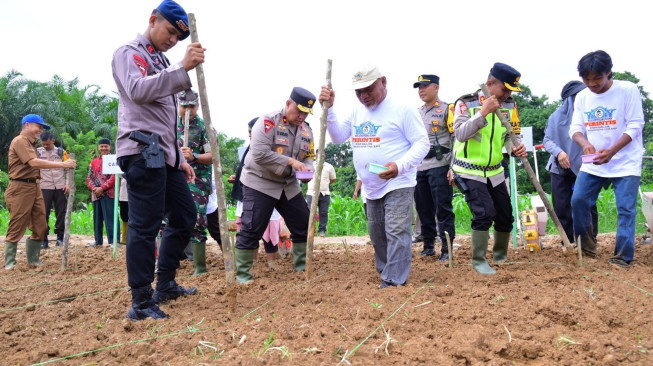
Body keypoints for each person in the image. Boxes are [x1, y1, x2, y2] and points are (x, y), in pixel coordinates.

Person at [112, 0, 204, 320]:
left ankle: (165, 282)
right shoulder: (130, 53)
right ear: (153, 20)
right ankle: (140, 299)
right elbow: (137, 91)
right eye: (169, 32)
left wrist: (179, 157)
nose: (173, 40)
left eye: (179, 38)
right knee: (145, 224)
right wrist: (181, 68)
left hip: (163, 153)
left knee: (184, 214)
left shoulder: (161, 60)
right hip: (141, 150)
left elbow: (166, 121)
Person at [319, 65, 429, 288]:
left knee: (396, 230)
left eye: (368, 89)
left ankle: (393, 279)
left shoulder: (403, 109)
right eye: (358, 92)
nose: (364, 96)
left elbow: (422, 142)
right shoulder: (356, 111)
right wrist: (329, 110)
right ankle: (386, 270)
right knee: (377, 234)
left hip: (398, 181)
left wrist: (400, 165)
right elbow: (339, 137)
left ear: (384, 82)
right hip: (371, 185)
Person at [569, 50, 645, 269]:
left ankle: (622, 256)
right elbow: (575, 128)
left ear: (609, 73)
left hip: (625, 162)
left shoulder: (627, 90)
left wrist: (612, 151)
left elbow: (635, 125)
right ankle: (587, 247)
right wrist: (585, 144)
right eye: (587, 79)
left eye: (597, 78)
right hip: (594, 162)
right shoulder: (583, 96)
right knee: (579, 200)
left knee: (626, 209)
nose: (592, 84)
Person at [450, 63, 527, 275]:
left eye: (511, 91)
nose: (508, 94)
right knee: (484, 213)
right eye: (505, 89)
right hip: (468, 170)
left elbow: (511, 135)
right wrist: (483, 113)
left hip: (495, 171)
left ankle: (500, 255)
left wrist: (516, 148)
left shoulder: (510, 105)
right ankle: (479, 261)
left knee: (504, 215)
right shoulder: (466, 103)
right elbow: (460, 134)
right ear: (491, 84)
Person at [235, 87, 316, 283]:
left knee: (303, 223)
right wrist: (290, 162)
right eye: (299, 111)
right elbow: (260, 154)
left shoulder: (307, 130)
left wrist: (307, 171)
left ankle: (301, 268)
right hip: (260, 181)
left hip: (287, 184)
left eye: (306, 113)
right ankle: (243, 276)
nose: (302, 116)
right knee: (251, 227)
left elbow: (308, 157)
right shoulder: (267, 123)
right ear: (288, 104)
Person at [4, 114, 76, 269]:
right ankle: (10, 263)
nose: (41, 130)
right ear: (27, 125)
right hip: (20, 187)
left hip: (35, 186)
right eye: (39, 126)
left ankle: (33, 260)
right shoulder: (20, 141)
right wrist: (64, 165)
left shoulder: (32, 144)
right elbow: (34, 163)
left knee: (40, 225)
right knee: (17, 223)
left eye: (42, 128)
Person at [543, 81, 599, 246]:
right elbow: (547, 140)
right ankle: (568, 240)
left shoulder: (589, 114)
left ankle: (589, 240)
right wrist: (559, 152)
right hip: (560, 168)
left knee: (587, 204)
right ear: (569, 99)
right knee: (561, 206)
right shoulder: (556, 117)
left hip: (585, 166)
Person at [412, 74, 456, 260]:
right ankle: (428, 245)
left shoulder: (447, 109)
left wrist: (453, 167)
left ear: (436, 87)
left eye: (425, 86)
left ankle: (447, 248)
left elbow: (456, 139)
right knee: (423, 208)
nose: (421, 90)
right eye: (419, 87)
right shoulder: (416, 112)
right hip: (419, 167)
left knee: (442, 208)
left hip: (440, 164)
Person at [176, 89, 213, 275]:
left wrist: (195, 155)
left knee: (197, 219)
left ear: (198, 106)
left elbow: (213, 156)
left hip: (198, 179)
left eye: (192, 106)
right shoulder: (169, 124)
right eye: (184, 106)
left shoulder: (204, 127)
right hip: (175, 177)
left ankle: (199, 268)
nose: (188, 109)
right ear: (178, 105)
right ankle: (169, 264)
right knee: (165, 220)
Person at [37, 132, 69, 249]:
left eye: (48, 144)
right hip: (44, 186)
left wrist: (68, 184)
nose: (45, 146)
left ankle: (60, 238)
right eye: (44, 144)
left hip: (60, 186)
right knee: (43, 213)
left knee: (61, 212)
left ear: (53, 141)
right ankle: (43, 239)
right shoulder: (38, 152)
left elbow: (68, 169)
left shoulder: (62, 153)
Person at [86, 138, 118, 247]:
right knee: (97, 219)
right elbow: (89, 178)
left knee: (111, 218)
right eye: (101, 146)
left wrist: (103, 188)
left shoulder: (114, 159)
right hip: (96, 194)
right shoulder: (94, 162)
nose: (104, 148)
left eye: (106, 146)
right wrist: (95, 188)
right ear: (98, 147)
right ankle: (98, 241)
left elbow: (115, 177)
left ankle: (114, 241)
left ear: (110, 147)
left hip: (109, 193)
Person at [306, 151, 336, 237]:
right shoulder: (311, 165)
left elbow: (333, 179)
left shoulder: (329, 166)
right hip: (311, 193)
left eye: (322, 154)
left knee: (323, 212)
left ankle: (322, 231)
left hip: (324, 193)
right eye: (318, 154)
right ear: (316, 155)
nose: (321, 155)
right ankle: (310, 230)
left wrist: (325, 184)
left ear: (325, 155)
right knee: (310, 212)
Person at [118, 177, 128, 245]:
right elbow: (119, 180)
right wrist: (118, 194)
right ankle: (124, 238)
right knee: (124, 217)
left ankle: (131, 237)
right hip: (123, 195)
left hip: (134, 196)